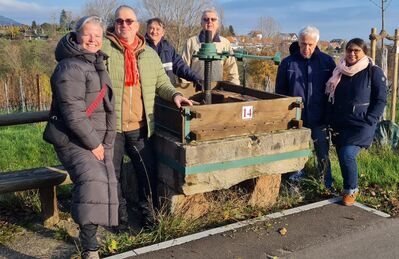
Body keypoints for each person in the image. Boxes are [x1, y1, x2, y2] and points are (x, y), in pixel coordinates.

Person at [101, 5, 193, 228]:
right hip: (111, 128)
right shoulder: (103, 49)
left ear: (137, 26)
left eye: (129, 21)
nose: (124, 25)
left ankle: (149, 216)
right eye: (119, 21)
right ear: (114, 24)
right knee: (112, 178)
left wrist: (176, 95)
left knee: (147, 173)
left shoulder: (148, 54)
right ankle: (119, 221)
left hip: (140, 128)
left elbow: (162, 83)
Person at [43, 16, 116, 259]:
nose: (93, 39)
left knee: (99, 184)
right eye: (88, 34)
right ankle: (90, 249)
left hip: (93, 138)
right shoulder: (70, 67)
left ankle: (93, 237)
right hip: (76, 140)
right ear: (76, 36)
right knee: (92, 183)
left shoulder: (94, 62)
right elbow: (73, 113)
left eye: (98, 34)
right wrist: (94, 143)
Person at [326, 38, 387, 206]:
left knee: (347, 154)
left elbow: (381, 99)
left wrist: (371, 119)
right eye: (349, 50)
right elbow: (332, 98)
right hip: (341, 122)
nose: (352, 53)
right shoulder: (340, 71)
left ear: (364, 52)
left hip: (362, 124)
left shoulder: (373, 72)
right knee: (341, 155)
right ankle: (347, 186)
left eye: (356, 50)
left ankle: (351, 189)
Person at [275, 26, 336, 188]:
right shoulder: (288, 63)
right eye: (303, 44)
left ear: (316, 43)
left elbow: (333, 92)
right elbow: (280, 92)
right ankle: (295, 182)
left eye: (310, 44)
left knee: (322, 152)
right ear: (299, 42)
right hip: (296, 118)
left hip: (320, 117)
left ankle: (325, 182)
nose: (306, 48)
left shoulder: (327, 62)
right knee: (296, 151)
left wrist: (329, 115)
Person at [181, 8, 240, 85]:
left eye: (213, 19)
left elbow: (232, 69)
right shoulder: (191, 42)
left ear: (218, 24)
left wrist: (234, 88)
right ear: (201, 23)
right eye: (206, 19)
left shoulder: (225, 43)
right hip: (195, 88)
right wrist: (187, 90)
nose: (209, 22)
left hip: (216, 88)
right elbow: (183, 68)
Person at [145, 17, 202, 90]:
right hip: (149, 92)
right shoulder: (142, 48)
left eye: (158, 29)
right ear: (147, 30)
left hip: (168, 91)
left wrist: (195, 77)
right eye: (151, 28)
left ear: (163, 32)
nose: (154, 31)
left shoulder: (168, 48)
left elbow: (180, 66)